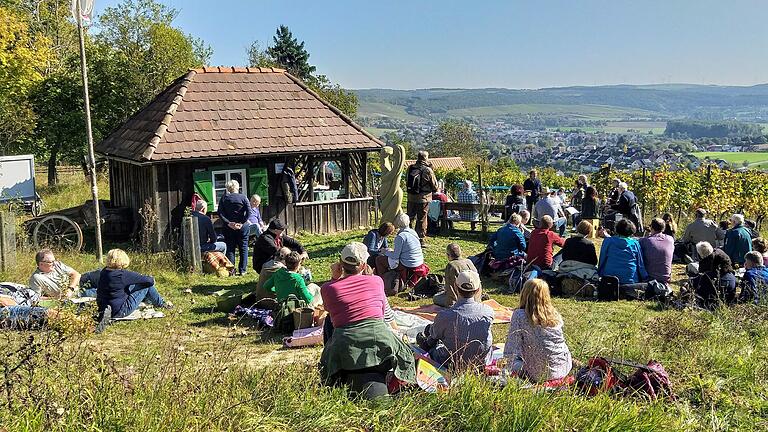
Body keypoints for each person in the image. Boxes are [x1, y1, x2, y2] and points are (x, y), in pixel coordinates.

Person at [320, 242, 416, 399]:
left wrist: (334, 278)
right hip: (380, 341)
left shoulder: (328, 288)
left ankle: (335, 380)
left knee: (330, 321)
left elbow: (329, 309)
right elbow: (382, 312)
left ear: (340, 263)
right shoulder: (377, 281)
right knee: (405, 354)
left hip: (344, 345)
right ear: (364, 265)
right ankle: (398, 382)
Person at [419, 271, 493, 370]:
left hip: (450, 363)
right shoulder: (488, 312)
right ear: (478, 289)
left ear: (455, 287)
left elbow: (433, 338)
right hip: (480, 362)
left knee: (430, 335)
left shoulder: (445, 316)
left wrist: (426, 343)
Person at [503, 279, 572, 382]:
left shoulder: (520, 315)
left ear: (524, 293)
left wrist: (504, 367)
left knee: (512, 361)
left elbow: (511, 349)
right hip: (563, 368)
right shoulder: (555, 315)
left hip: (538, 373)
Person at [96, 249, 171, 327]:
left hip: (103, 307)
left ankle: (150, 300)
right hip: (120, 310)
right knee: (146, 286)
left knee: (128, 286)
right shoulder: (122, 274)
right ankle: (161, 304)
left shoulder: (104, 272)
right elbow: (150, 281)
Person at [598, 219, 648, 285]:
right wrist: (645, 277)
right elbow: (640, 264)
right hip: (630, 279)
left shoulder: (608, 241)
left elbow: (602, 259)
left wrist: (600, 274)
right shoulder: (635, 243)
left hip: (610, 279)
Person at [217, 179, 250, 275]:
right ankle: (243, 270)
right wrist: (242, 222)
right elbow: (249, 212)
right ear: (237, 187)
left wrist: (228, 223)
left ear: (228, 188)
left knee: (230, 248)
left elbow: (220, 213)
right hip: (242, 226)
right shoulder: (243, 197)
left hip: (229, 227)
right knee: (243, 248)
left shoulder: (224, 198)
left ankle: (232, 271)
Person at [381, 213, 426, 282]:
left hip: (408, 263)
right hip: (419, 261)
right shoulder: (413, 232)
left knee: (379, 260)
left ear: (398, 223)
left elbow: (395, 256)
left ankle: (385, 280)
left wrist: (385, 252)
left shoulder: (401, 236)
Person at [405, 150, 438, 244]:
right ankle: (420, 239)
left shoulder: (410, 168)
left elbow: (407, 180)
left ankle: (407, 235)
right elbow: (435, 186)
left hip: (411, 197)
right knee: (422, 219)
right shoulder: (427, 170)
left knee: (410, 217)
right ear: (425, 158)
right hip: (423, 198)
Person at [692, 243, 736, 308]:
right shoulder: (731, 273)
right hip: (729, 300)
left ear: (701, 256)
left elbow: (694, 283)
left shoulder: (707, 274)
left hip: (712, 304)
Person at [639, 218, 675, 286]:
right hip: (666, 278)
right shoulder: (670, 239)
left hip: (649, 279)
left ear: (651, 227)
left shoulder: (644, 241)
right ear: (663, 228)